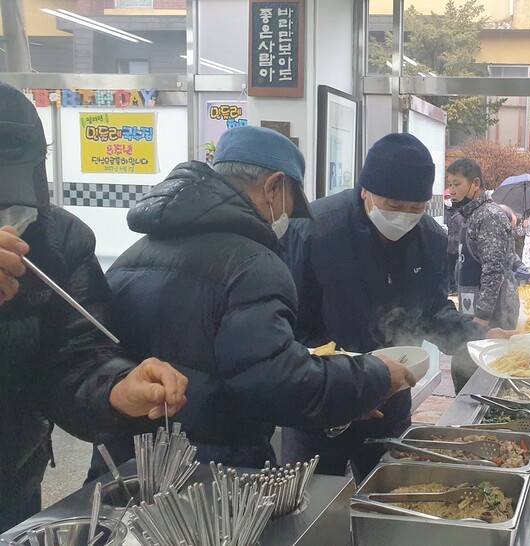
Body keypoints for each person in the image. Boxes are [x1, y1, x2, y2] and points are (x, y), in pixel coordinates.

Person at [99, 125, 415, 469]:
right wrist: (376, 377)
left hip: (129, 468)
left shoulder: (130, 258)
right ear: (274, 186)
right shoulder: (251, 265)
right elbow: (281, 384)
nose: (286, 218)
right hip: (216, 475)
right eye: (290, 204)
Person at [0, 83, 188, 532]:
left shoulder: (57, 242)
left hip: (14, 475)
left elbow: (76, 356)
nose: (11, 220)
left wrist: (117, 390)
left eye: (16, 205)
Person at [278, 133, 511, 480]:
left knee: (388, 496)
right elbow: (288, 327)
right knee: (309, 509)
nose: (404, 216)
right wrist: (347, 383)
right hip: (321, 404)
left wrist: (481, 338)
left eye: (415, 208)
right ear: (365, 191)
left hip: (391, 397)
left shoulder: (431, 238)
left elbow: (433, 313)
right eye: (393, 206)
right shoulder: (314, 230)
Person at [447, 157, 526, 390]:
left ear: (475, 184)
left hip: (494, 314)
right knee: (465, 374)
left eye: (457, 184)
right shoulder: (469, 216)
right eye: (449, 184)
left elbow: (494, 269)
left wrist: (481, 317)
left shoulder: (488, 215)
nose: (451, 190)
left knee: (487, 380)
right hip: (473, 312)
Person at [443, 188, 462, 295]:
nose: (448, 199)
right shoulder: (443, 213)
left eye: (449, 197)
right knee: (449, 269)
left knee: (458, 268)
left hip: (458, 245)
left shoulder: (460, 212)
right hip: (448, 245)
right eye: (446, 197)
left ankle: (456, 288)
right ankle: (450, 288)